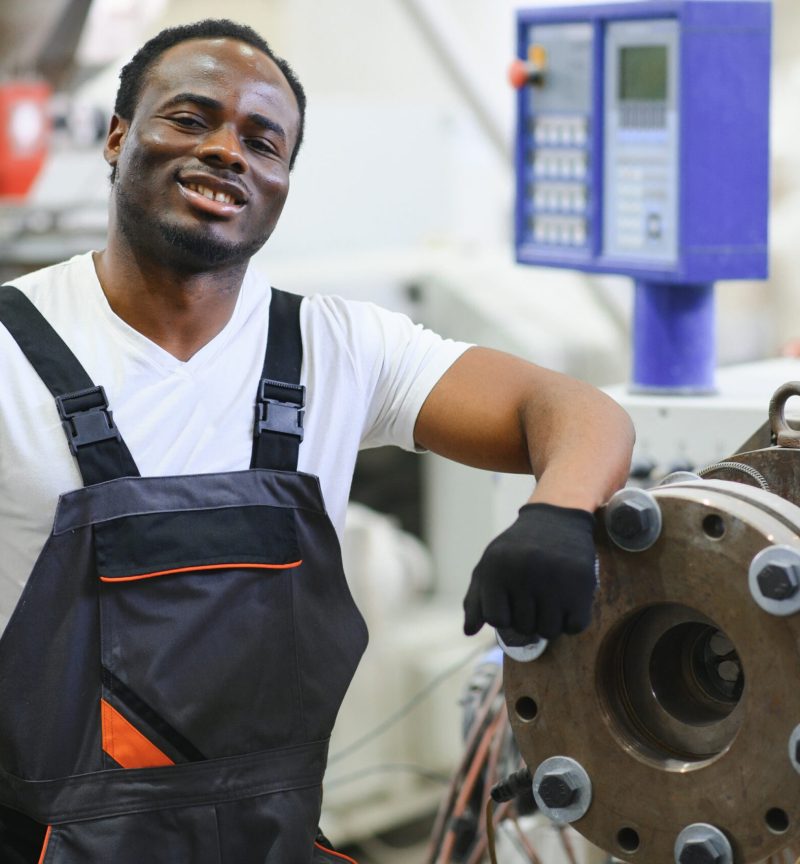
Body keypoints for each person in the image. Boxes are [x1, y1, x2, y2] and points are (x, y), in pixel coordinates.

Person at [0, 18, 634, 864]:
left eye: (262, 142)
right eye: (190, 119)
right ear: (117, 139)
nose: (227, 150)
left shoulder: (338, 348)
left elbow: (573, 408)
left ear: (282, 182)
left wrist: (556, 513)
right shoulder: (13, 349)